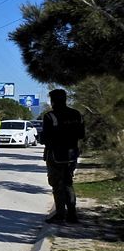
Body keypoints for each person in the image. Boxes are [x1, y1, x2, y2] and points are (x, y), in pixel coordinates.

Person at [42, 89, 85, 224]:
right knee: (68, 183)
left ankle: (60, 214)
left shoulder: (50, 116)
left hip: (55, 154)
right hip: (72, 154)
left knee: (56, 184)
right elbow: (81, 135)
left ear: (53, 101)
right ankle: (72, 215)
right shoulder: (77, 114)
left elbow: (45, 138)